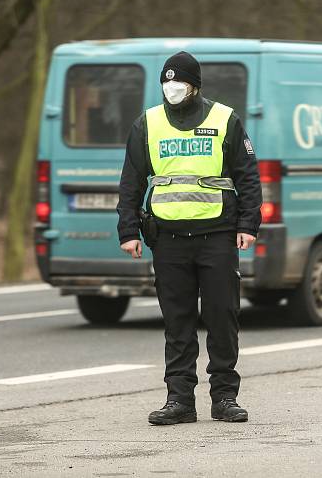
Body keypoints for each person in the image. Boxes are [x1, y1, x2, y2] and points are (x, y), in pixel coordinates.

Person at [117, 51, 262, 424]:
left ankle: (224, 397)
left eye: (178, 81)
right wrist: (128, 230)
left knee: (221, 316)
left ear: (195, 85)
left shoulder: (224, 119)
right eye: (166, 82)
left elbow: (248, 175)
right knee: (177, 322)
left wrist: (248, 224)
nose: (172, 88)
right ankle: (179, 400)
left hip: (217, 234)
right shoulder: (147, 124)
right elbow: (131, 180)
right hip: (167, 238)